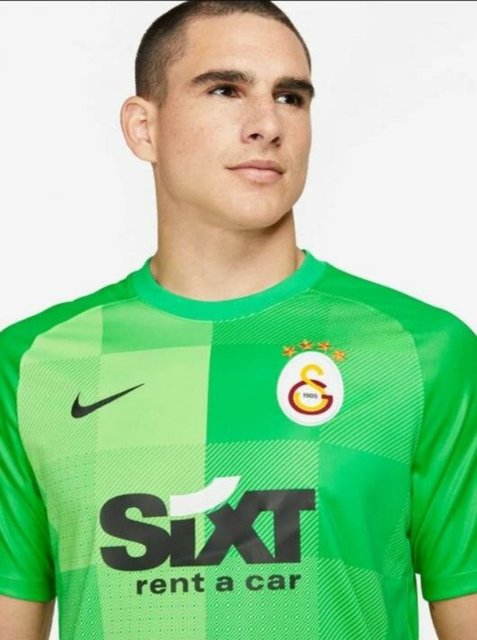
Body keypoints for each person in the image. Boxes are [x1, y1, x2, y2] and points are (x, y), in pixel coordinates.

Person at [0, 0, 476, 638]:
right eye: (225, 90)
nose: (267, 125)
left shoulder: (420, 353)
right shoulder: (34, 366)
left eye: (290, 97)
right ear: (143, 128)